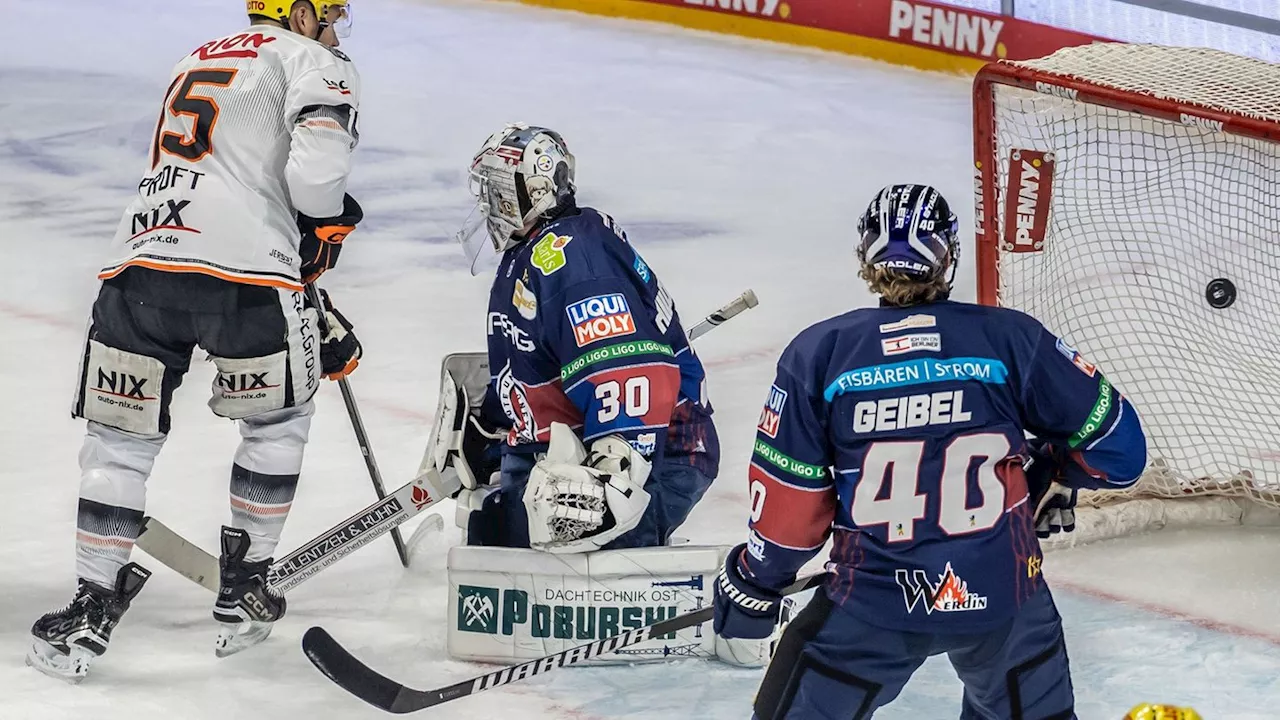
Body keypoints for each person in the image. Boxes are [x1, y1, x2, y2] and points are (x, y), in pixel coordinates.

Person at [712, 184, 1148, 718]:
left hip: (871, 607)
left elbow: (790, 508)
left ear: (864, 256)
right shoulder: (1011, 339)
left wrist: (755, 585)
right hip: (1005, 602)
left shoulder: (821, 354)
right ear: (949, 256)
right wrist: (1050, 473)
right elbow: (1119, 450)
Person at [28, 0, 365, 683]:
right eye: (328, 14)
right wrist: (325, 228)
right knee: (277, 421)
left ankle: (90, 606)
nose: (334, 30)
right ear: (299, 15)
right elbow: (315, 182)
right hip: (243, 272)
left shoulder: (198, 54)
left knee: (118, 440)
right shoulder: (313, 61)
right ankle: (244, 588)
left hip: (138, 265)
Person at [430, 123, 725, 665]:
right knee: (493, 531)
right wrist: (497, 423)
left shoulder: (576, 263)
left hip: (653, 454)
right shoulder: (537, 251)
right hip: (566, 447)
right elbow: (536, 359)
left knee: (566, 588)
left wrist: (613, 477)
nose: (490, 204)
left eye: (499, 190)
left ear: (538, 188)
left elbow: (629, 380)